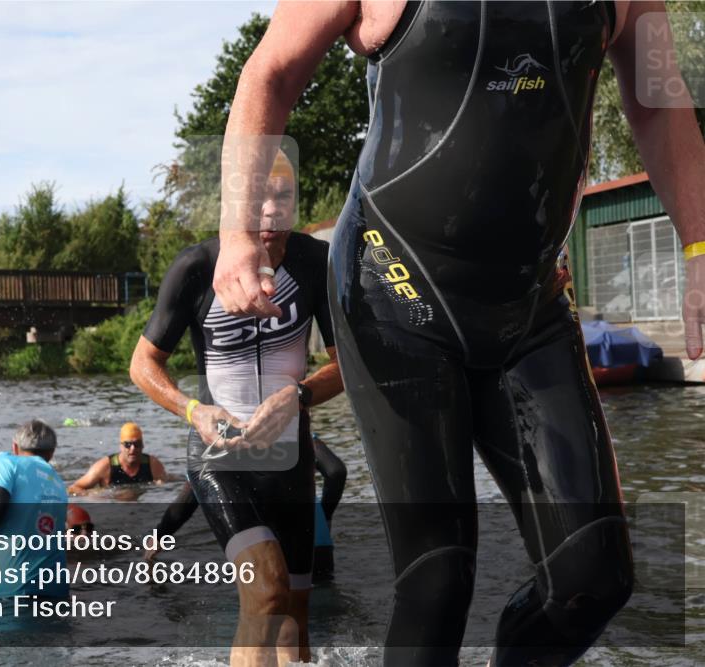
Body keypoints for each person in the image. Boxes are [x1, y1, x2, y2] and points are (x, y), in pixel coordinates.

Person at [209, 3, 704, 665]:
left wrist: (700, 250)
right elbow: (269, 73)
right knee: (438, 578)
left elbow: (659, 104)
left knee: (593, 578)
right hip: (391, 289)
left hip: (530, 304)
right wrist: (237, 236)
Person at [129, 149, 344, 666]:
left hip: (289, 460)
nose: (270, 213)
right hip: (218, 458)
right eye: (257, 199)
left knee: (294, 618)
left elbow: (346, 366)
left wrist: (298, 395)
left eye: (283, 197)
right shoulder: (197, 267)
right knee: (265, 589)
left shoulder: (317, 264)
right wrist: (192, 410)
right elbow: (142, 364)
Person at [146, 434, 346, 581]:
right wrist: (323, 515)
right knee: (322, 622)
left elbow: (186, 504)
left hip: (267, 548)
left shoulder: (218, 443)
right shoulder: (295, 429)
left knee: (267, 623)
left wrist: (158, 536)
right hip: (317, 543)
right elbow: (336, 472)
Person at [0, 420, 69, 601]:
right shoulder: (58, 482)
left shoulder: (7, 462)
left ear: (15, 447)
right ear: (51, 453)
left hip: (11, 591)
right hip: (57, 592)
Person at [67, 423, 167, 495]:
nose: (133, 449)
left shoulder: (153, 465)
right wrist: (91, 494)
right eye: (128, 445)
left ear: (143, 446)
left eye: (137, 444)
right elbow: (73, 488)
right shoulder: (104, 467)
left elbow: (165, 487)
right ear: (121, 446)